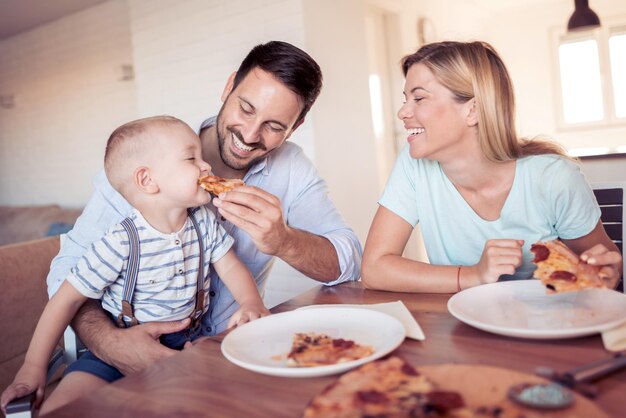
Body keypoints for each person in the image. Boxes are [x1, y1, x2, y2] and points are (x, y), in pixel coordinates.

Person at [46, 42, 362, 376]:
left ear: (294, 129)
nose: (251, 135)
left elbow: (349, 261)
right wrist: (110, 344)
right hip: (124, 352)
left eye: (274, 126)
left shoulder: (292, 168)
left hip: (230, 354)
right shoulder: (148, 157)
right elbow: (67, 269)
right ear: (228, 87)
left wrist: (284, 240)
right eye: (246, 108)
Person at [1, 116, 269, 414]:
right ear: (147, 180)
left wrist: (250, 302)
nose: (206, 166)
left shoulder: (203, 222)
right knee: (64, 408)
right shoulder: (120, 241)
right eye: (192, 158)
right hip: (113, 354)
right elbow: (66, 300)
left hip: (187, 345)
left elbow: (230, 267)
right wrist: (33, 367)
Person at [361, 41, 622, 293]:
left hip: (548, 326)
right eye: (405, 99)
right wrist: (473, 274)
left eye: (418, 98)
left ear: (473, 110)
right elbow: (375, 267)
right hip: (461, 327)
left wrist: (605, 271)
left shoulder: (553, 177)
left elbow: (604, 261)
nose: (402, 112)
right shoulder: (413, 165)